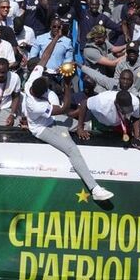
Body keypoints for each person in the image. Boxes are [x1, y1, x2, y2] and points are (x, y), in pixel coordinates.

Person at [23, 28, 113, 201]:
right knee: (72, 150)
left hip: (52, 118)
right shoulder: (36, 105)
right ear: (39, 94)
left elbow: (45, 56)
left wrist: (56, 38)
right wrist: (66, 85)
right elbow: (64, 108)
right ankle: (95, 189)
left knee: (86, 126)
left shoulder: (32, 82)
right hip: (42, 128)